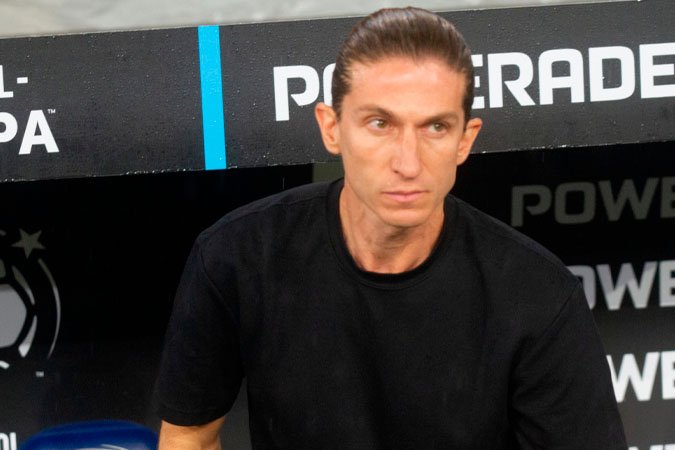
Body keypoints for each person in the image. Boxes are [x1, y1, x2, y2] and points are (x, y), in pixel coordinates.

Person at [155, 7, 626, 449]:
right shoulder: (237, 256)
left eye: (436, 128)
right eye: (380, 123)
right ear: (331, 127)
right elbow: (187, 437)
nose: (408, 163)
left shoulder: (538, 293)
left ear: (466, 140)